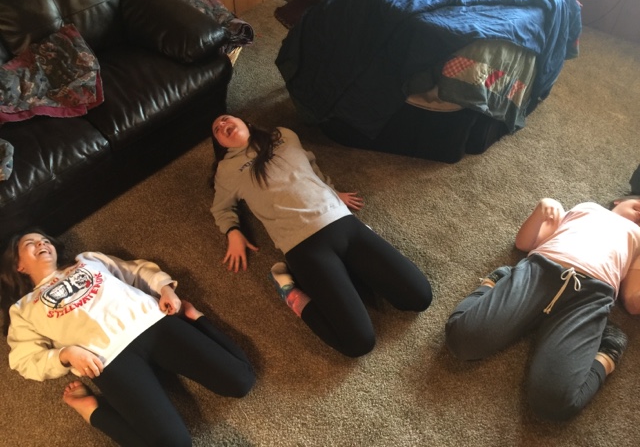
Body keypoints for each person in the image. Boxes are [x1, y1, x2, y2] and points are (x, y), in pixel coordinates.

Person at [1, 229, 256, 446]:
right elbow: (24, 360)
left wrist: (165, 288)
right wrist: (65, 355)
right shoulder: (23, 309)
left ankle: (195, 317)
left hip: (153, 324)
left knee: (240, 381)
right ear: (18, 265)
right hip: (108, 360)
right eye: (31, 243)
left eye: (45, 240)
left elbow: (136, 271)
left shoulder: (87, 260)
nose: (42, 244)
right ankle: (93, 411)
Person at [209, 115, 432, 357]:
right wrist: (233, 231)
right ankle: (289, 290)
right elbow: (221, 208)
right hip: (304, 248)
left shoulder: (282, 135)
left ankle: (355, 263)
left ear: (246, 122)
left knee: (420, 297)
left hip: (342, 223)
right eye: (217, 130)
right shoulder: (227, 170)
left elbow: (310, 165)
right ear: (221, 144)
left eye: (225, 120)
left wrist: (331, 190)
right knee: (358, 343)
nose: (222, 126)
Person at [445, 197, 640, 420]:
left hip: (590, 296)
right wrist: (541, 209)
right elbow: (524, 244)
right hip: (539, 272)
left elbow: (632, 302)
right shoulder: (588, 209)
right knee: (461, 341)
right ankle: (497, 281)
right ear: (620, 200)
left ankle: (609, 350)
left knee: (553, 404)